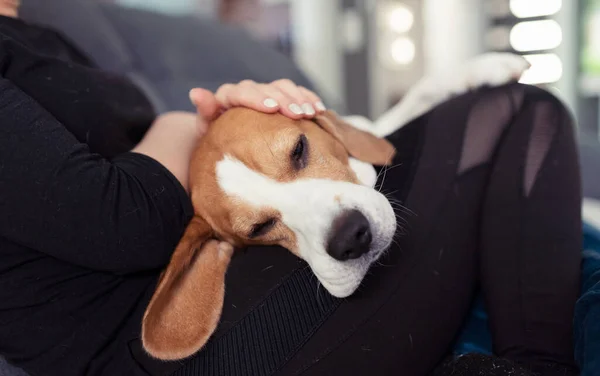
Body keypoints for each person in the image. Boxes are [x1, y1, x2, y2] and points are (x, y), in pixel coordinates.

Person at [0, 1, 582, 376]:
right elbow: (118, 222)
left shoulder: (33, 30)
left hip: (212, 281)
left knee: (510, 112)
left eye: (299, 150)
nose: (339, 232)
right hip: (162, 351)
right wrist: (190, 122)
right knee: (516, 113)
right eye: (259, 225)